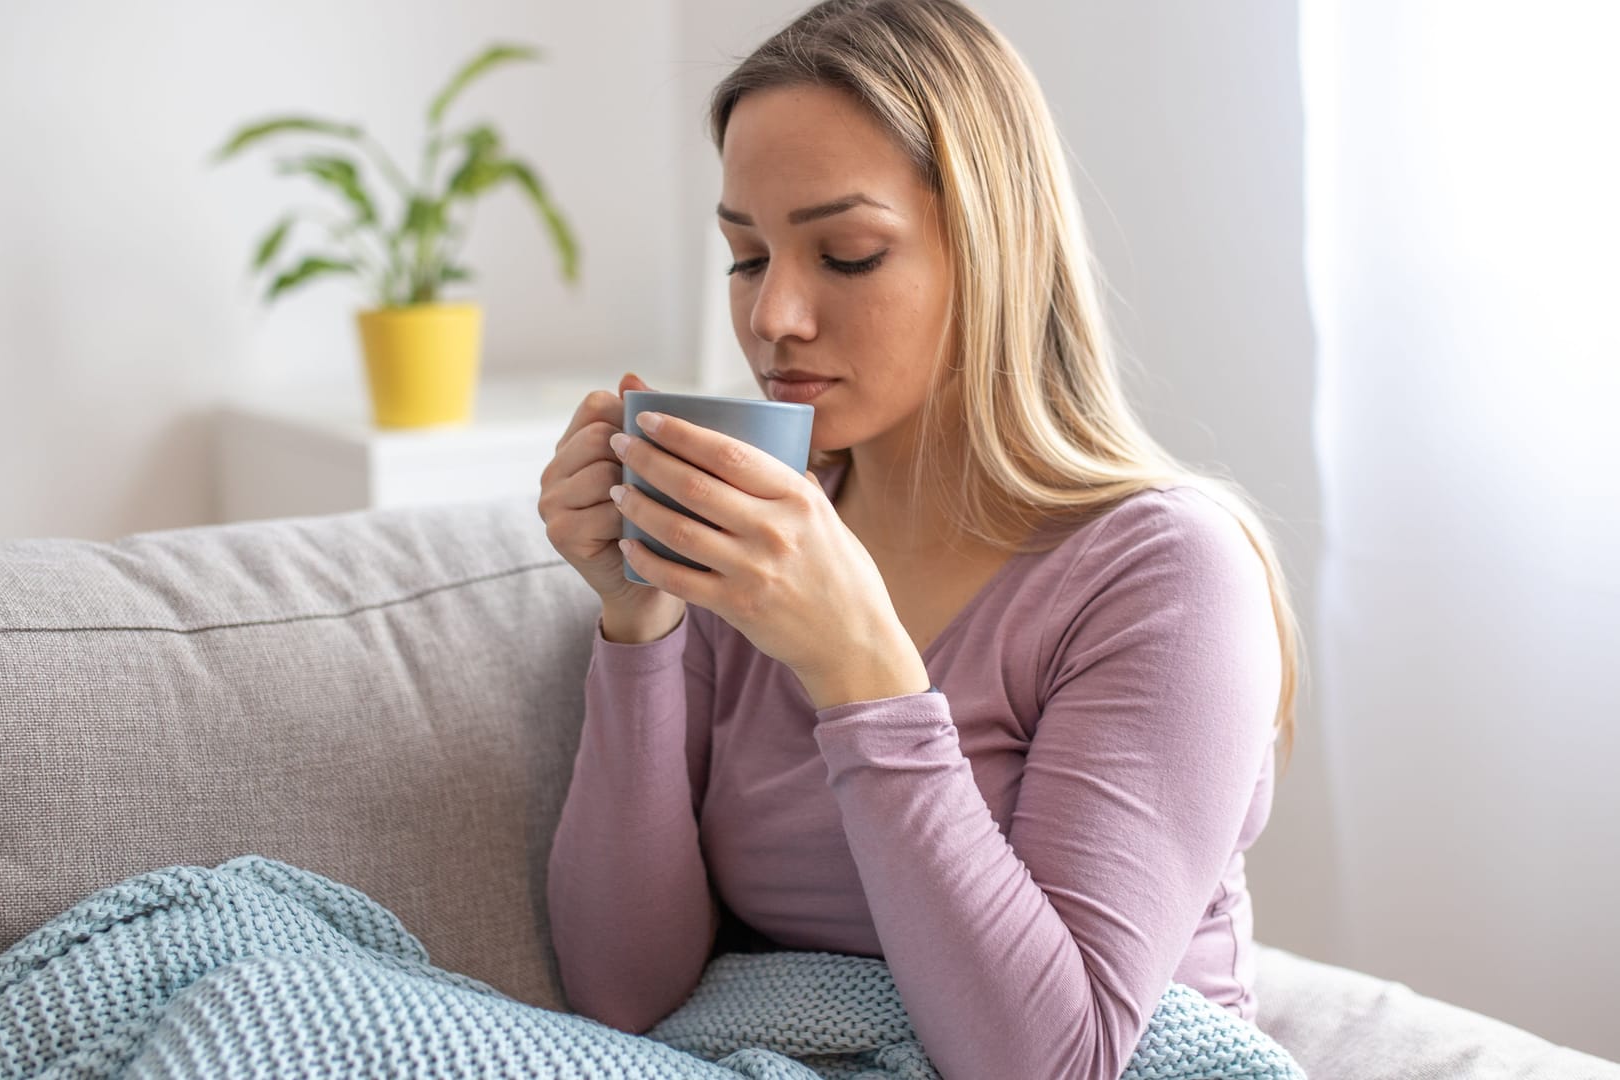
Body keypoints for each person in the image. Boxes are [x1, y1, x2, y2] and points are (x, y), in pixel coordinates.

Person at [536, 1, 1302, 1077]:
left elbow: (1052, 1061)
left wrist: (861, 673)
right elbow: (620, 996)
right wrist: (639, 620)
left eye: (846, 254)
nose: (773, 317)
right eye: (747, 257)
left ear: (994, 252)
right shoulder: (756, 538)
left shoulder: (1165, 575)